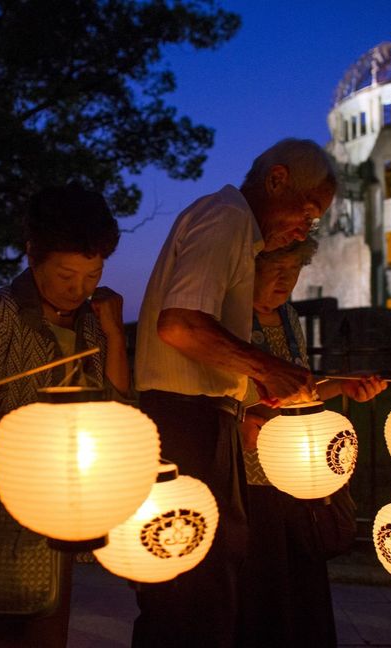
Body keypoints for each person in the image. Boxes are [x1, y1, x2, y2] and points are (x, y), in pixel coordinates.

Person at [133, 138, 336, 647]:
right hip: (186, 424)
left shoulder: (237, 230)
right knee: (191, 591)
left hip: (205, 420)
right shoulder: (224, 217)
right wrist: (267, 367)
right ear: (277, 180)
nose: (305, 228)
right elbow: (179, 324)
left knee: (213, 580)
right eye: (308, 212)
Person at [0, 184, 129, 647]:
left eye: (92, 275)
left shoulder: (90, 321)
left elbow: (122, 411)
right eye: (66, 274)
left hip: (57, 515)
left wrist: (114, 334)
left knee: (48, 633)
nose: (78, 288)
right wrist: (29, 445)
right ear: (32, 255)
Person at [238, 237, 386, 648]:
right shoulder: (230, 321)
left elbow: (301, 392)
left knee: (304, 589)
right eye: (275, 270)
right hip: (254, 480)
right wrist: (243, 421)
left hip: (301, 477)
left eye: (294, 270)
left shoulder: (287, 316)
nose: (286, 281)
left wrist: (343, 385)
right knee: (264, 594)